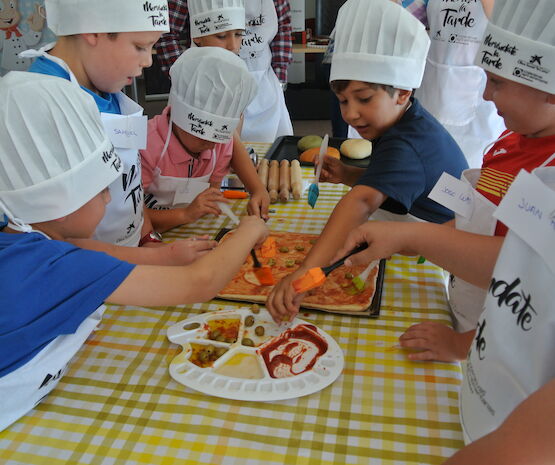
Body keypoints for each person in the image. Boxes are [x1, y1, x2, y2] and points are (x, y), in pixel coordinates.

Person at [0, 72, 268, 431]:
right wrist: (249, 231)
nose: (112, 198)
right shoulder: (53, 268)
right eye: (102, 192)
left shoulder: (20, 232)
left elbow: (88, 249)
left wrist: (164, 256)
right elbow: (199, 283)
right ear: (62, 202)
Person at [331, 165, 555, 461]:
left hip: (501, 389)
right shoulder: (512, 141)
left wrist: (461, 344)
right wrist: (413, 237)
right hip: (476, 353)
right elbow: (494, 243)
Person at [266, 0, 468, 322]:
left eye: (363, 99)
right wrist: (348, 174)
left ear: (402, 93)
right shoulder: (404, 120)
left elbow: (361, 203)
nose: (349, 113)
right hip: (413, 225)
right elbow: (393, 181)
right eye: (343, 100)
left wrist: (307, 270)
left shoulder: (407, 144)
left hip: (436, 249)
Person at [393, 0, 555, 362]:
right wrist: (423, 243)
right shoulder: (510, 143)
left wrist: (460, 345)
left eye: (496, 82)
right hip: (469, 312)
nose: (484, 95)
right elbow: (478, 222)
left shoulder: (550, 171)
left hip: (503, 352)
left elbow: (530, 280)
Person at [23, 0, 216, 263]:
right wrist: (151, 259)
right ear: (93, 31)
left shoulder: (105, 84)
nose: (148, 61)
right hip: (92, 273)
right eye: (139, 47)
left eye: (152, 47)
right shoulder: (39, 105)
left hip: (132, 252)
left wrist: (147, 237)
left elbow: (131, 182)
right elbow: (50, 237)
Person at [140, 47, 268, 232]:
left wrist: (259, 191)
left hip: (188, 230)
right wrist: (184, 214)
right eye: (204, 136)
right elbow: (129, 217)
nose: (213, 145)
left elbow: (211, 195)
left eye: (220, 137)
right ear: (179, 117)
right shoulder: (147, 145)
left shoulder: (219, 146)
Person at [155, 0, 293, 143]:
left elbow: (283, 28)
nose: (233, 46)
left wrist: (279, 77)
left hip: (263, 86)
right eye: (221, 36)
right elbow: (167, 33)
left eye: (240, 34)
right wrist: (186, 76)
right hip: (203, 83)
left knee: (270, 155)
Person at [415, 0, 506, 168]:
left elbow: (507, 28)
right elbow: (415, 18)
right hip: (431, 90)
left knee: (465, 176)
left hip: (479, 110)